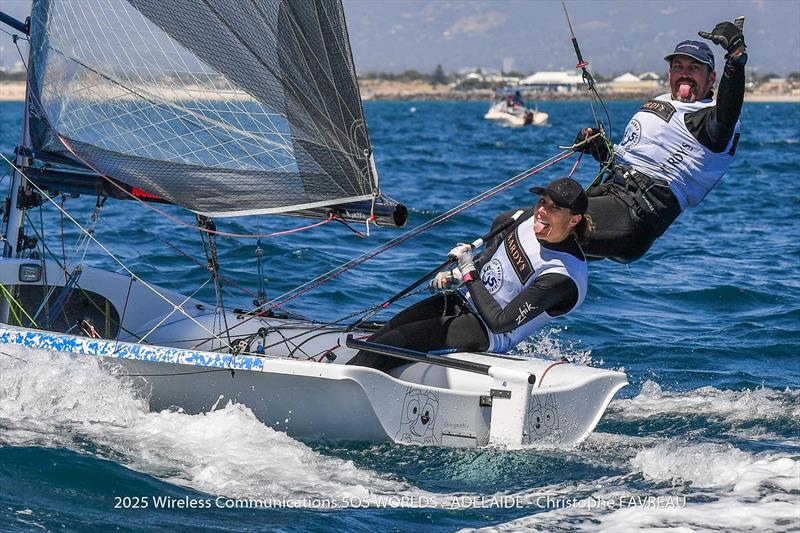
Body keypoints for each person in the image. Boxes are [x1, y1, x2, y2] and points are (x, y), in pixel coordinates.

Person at [347, 177, 590, 372]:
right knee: (383, 334)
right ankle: (337, 379)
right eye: (542, 201)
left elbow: (500, 322)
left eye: (554, 208)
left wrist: (468, 271)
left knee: (395, 343)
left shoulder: (562, 275)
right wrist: (457, 273)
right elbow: (495, 250)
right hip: (463, 299)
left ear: (574, 220)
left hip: (486, 332)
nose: (542, 211)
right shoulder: (528, 218)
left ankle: (343, 396)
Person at [574, 20, 746, 263]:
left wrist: (736, 57)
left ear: (712, 78)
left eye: (695, 67)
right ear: (670, 74)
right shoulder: (665, 103)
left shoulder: (710, 119)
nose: (685, 72)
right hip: (612, 196)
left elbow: (728, 111)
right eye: (678, 66)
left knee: (543, 229)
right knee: (516, 223)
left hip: (636, 213)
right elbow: (633, 158)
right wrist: (600, 147)